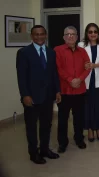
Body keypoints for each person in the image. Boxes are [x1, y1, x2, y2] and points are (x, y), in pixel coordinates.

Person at [16, 25, 61, 164]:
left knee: (46, 125)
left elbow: (54, 74)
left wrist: (57, 90)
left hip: (48, 96)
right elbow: (21, 76)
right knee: (31, 126)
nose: (39, 37)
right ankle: (33, 153)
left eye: (42, 34)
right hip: (31, 97)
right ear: (32, 36)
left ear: (46, 35)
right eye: (36, 34)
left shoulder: (51, 52)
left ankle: (44, 149)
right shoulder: (24, 52)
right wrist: (25, 95)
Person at [54, 26, 91, 153]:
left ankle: (79, 139)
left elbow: (88, 67)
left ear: (77, 37)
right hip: (64, 91)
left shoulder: (83, 51)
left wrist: (79, 79)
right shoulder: (57, 50)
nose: (70, 36)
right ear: (64, 37)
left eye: (73, 34)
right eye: (68, 34)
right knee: (63, 119)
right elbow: (58, 69)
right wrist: (70, 80)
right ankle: (62, 143)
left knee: (79, 118)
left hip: (80, 90)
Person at [78, 23, 99, 142]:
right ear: (87, 33)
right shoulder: (81, 45)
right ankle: (90, 130)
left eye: (95, 32)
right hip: (86, 81)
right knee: (87, 106)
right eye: (90, 32)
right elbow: (78, 62)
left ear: (98, 33)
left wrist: (95, 65)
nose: (93, 34)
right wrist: (85, 66)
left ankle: (98, 128)